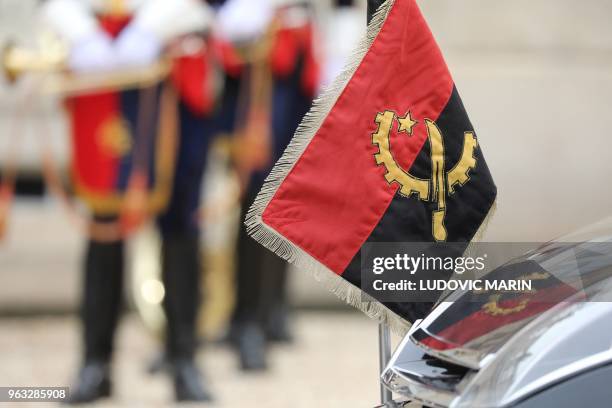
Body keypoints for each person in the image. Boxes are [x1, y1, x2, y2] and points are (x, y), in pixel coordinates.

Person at [40, 0, 222, 403]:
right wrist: (79, 31)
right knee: (104, 223)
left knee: (180, 221)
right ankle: (95, 363)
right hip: (101, 60)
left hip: (172, 57)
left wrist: (154, 24)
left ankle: (184, 359)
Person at [215, 0, 319, 370]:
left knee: (269, 196)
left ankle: (258, 316)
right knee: (248, 198)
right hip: (233, 63)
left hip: (279, 72)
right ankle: (243, 314)